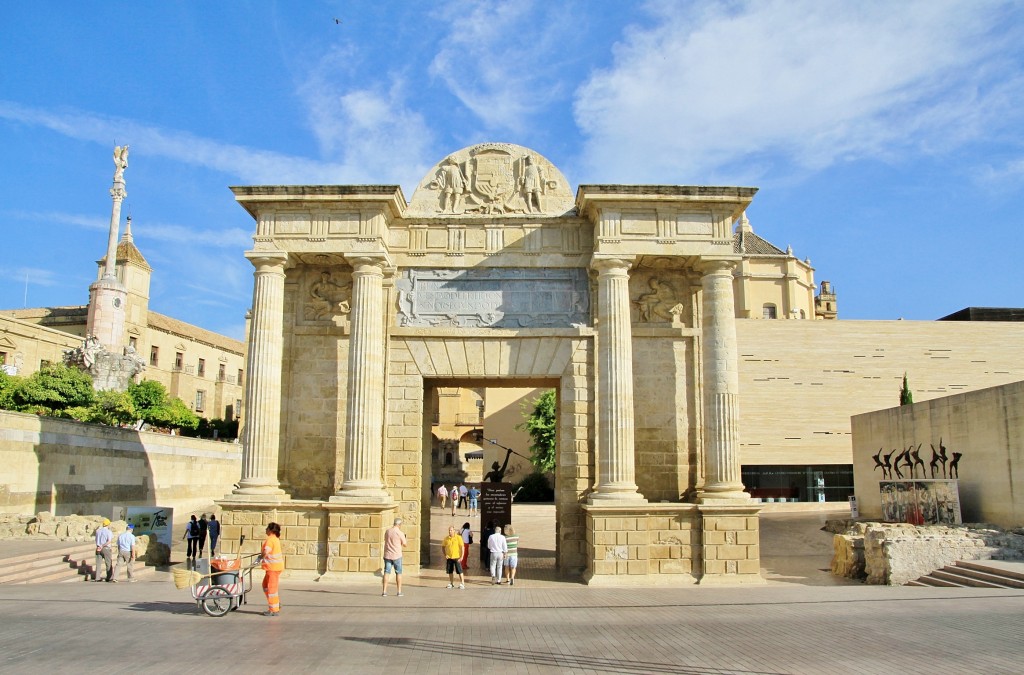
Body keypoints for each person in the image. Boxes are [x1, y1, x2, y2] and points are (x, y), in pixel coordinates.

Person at [260, 522, 284, 617]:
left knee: (271, 589)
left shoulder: (270, 540)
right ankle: (276, 604)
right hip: (274, 567)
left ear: (270, 530)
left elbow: (266, 551)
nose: (265, 530)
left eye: (267, 528)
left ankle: (273, 609)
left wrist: (260, 557)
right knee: (265, 585)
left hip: (273, 568)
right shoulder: (275, 539)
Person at [382, 517, 407, 597]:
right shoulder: (400, 533)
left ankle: (384, 591)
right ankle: (399, 591)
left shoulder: (387, 531)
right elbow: (405, 544)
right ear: (399, 525)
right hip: (397, 555)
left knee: (386, 572)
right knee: (398, 573)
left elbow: (385, 539)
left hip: (387, 554)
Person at [93, 518, 113, 582]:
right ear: (108, 524)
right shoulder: (108, 531)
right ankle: (109, 577)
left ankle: (97, 577)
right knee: (108, 563)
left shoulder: (98, 531)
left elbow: (96, 539)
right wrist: (103, 545)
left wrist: (99, 546)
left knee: (98, 563)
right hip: (105, 548)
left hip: (98, 548)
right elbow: (109, 541)